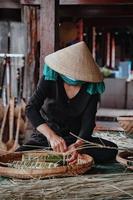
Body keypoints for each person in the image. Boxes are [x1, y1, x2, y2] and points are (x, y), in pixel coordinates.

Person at [17, 41, 118, 164]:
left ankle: (68, 157)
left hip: (74, 140)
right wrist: (52, 137)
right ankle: (57, 156)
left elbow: (88, 122)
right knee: (17, 156)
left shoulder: (91, 87)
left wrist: (77, 147)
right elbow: (31, 108)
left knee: (111, 149)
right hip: (45, 139)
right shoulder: (51, 77)